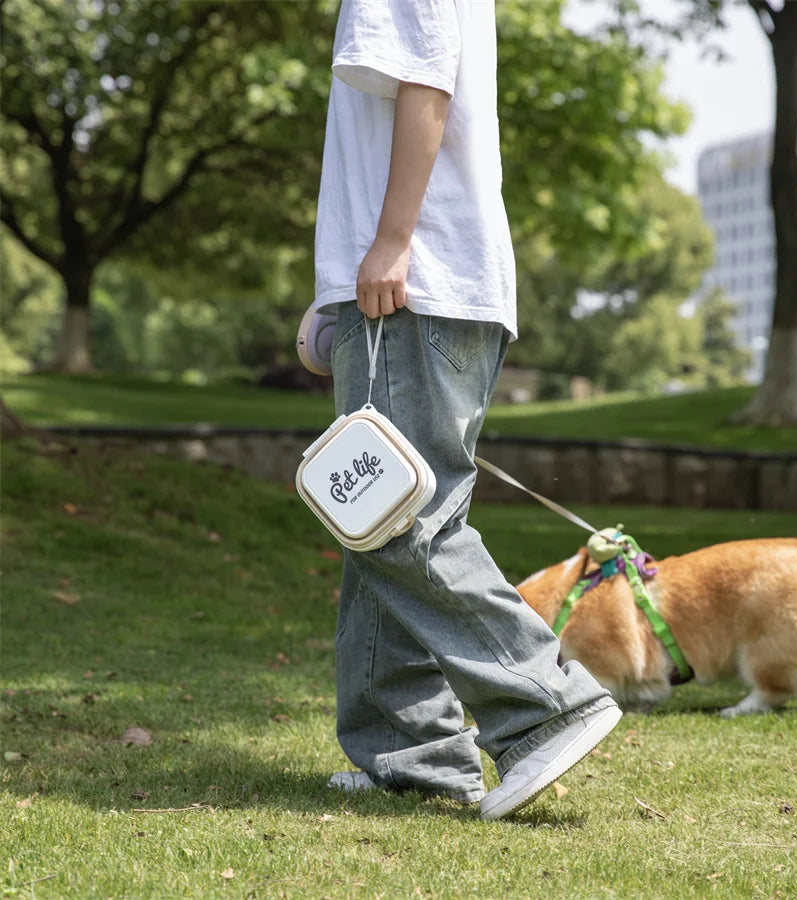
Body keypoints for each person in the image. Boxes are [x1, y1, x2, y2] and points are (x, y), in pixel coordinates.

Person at [312, 0, 620, 820]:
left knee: (401, 518)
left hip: (416, 283)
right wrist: (339, 292)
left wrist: (390, 242)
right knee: (372, 519)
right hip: (405, 287)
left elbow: (427, 90)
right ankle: (411, 758)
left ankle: (548, 705)